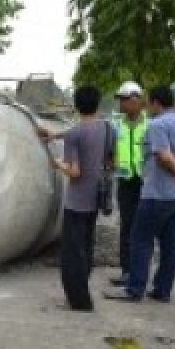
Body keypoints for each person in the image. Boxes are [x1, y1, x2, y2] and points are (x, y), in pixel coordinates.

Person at [104, 85, 175, 303]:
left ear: (156, 102)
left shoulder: (156, 125)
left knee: (140, 239)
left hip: (160, 193)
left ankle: (134, 289)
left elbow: (164, 157)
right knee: (169, 241)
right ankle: (162, 290)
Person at [48, 85, 113, 312]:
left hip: (76, 202)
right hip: (96, 199)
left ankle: (79, 302)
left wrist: (58, 164)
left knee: (72, 254)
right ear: (97, 103)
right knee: (86, 248)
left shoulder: (75, 134)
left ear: (76, 105)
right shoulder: (108, 128)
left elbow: (74, 172)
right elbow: (112, 161)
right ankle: (82, 293)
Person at [109, 82, 148, 286]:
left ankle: (140, 273)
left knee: (144, 229)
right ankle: (126, 271)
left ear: (136, 100)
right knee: (126, 227)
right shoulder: (117, 124)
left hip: (146, 184)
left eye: (124, 100)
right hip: (126, 182)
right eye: (120, 100)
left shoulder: (149, 125)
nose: (121, 105)